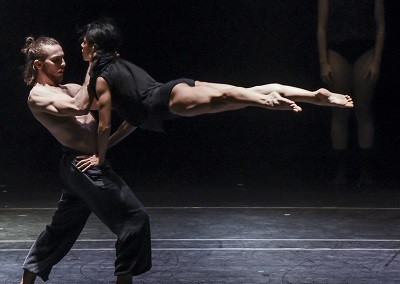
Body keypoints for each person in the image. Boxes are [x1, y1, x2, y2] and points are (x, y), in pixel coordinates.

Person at [74, 17, 354, 171]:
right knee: (243, 92)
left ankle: (267, 102)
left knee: (234, 99)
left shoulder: (102, 78)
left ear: (96, 48)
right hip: (175, 88)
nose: (82, 47)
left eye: (85, 43)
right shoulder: (119, 67)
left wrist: (99, 155)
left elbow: (104, 123)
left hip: (170, 101)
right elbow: (132, 120)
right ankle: (316, 96)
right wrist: (107, 147)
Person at [12, 36, 151, 284]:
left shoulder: (71, 88)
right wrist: (92, 62)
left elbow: (103, 102)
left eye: (65, 57)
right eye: (56, 60)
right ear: (39, 64)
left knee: (62, 227)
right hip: (82, 166)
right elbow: (79, 106)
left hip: (85, 165)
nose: (64, 63)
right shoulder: (38, 95)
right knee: (134, 218)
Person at [317, 0, 385, 186]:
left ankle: (366, 173)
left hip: (365, 50)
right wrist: (323, 60)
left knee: (364, 110)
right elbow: (321, 25)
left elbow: (380, 24)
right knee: (339, 111)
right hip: (338, 50)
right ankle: (341, 171)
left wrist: (377, 60)